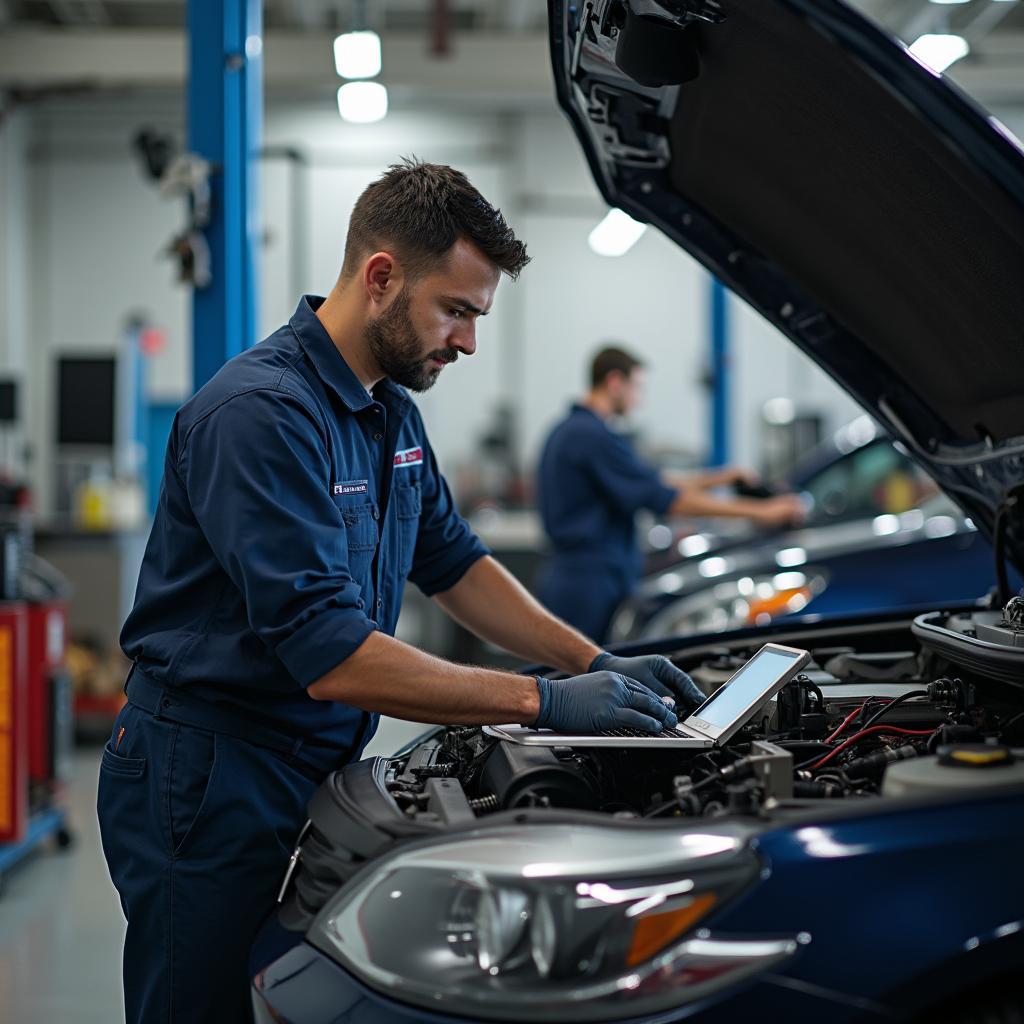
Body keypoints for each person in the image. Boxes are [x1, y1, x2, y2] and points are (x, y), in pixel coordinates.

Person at [97, 161, 706, 1024]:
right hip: (209, 771)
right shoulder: (259, 415)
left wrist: (593, 658)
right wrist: (544, 700)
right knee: (198, 1007)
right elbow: (329, 652)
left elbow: (452, 561)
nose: (466, 341)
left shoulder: (390, 412)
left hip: (311, 760)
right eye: (454, 310)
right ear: (381, 278)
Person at [536, 346, 805, 642]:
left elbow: (653, 482)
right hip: (589, 583)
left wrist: (721, 477)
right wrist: (763, 512)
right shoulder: (592, 436)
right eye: (637, 387)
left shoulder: (572, 430)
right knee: (580, 680)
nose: (639, 399)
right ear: (614, 382)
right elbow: (666, 499)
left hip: (584, 578)